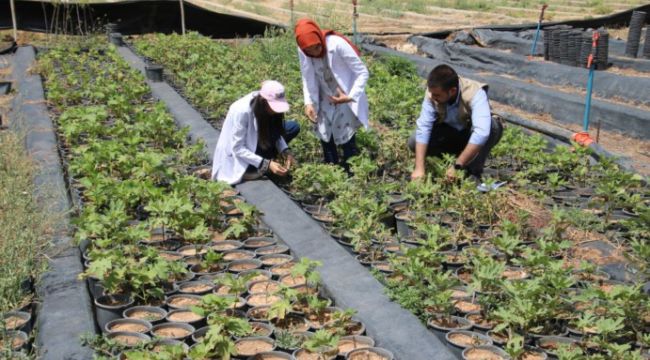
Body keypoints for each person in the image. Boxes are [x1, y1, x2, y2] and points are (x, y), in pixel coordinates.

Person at [295, 18, 369, 171]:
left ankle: (351, 171)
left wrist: (351, 96)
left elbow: (362, 72)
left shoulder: (337, 44)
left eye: (316, 48)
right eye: (308, 51)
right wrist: (309, 102)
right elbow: (307, 75)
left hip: (344, 93)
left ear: (319, 39)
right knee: (324, 132)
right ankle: (331, 170)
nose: (314, 53)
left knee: (346, 135)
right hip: (324, 94)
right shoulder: (303, 50)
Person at [409, 64, 503, 182]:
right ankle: (447, 161)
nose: (432, 97)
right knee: (414, 140)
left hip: (470, 134)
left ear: (452, 91)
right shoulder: (432, 93)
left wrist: (457, 165)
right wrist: (419, 168)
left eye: (437, 95)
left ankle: (472, 172)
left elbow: (481, 133)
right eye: (431, 93)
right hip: (452, 133)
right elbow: (424, 128)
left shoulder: (475, 93)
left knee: (491, 126)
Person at [211, 80, 300, 185]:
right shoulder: (242, 111)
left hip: (259, 138)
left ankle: (266, 157)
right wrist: (266, 164)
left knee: (293, 127)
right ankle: (250, 170)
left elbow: (276, 130)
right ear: (263, 101)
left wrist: (285, 151)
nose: (276, 111)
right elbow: (237, 148)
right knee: (256, 163)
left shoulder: (268, 108)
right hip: (238, 151)